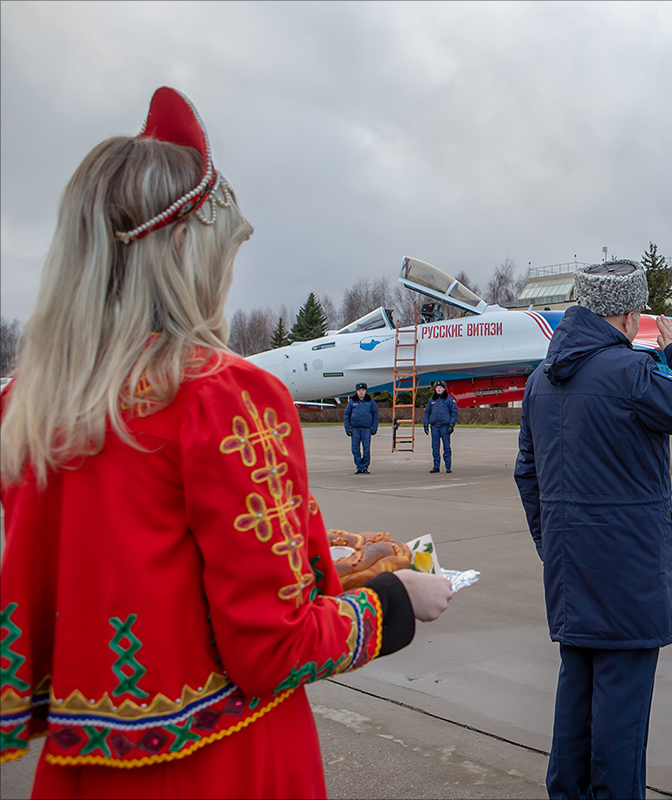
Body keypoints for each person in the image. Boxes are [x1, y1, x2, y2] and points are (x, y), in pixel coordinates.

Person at [0, 87, 452, 798]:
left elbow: (129, 558)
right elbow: (272, 647)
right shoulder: (226, 397)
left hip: (83, 771)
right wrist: (397, 600)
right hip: (226, 763)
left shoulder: (25, 404)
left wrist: (318, 550)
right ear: (184, 247)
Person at [513, 260, 672, 800]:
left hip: (569, 566)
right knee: (622, 712)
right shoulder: (627, 372)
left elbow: (528, 473)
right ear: (628, 313)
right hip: (627, 568)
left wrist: (551, 543)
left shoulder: (541, 378)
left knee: (576, 692)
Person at [423, 379, 458, 473]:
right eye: (437, 388)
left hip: (445, 427)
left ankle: (448, 466)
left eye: (440, 388)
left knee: (446, 447)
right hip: (434, 426)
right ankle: (436, 466)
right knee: (435, 447)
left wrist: (451, 425)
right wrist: (426, 424)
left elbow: (454, 412)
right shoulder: (432, 399)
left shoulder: (449, 399)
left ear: (444, 389)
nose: (439, 389)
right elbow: (427, 412)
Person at [344, 381, 380, 474]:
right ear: (356, 391)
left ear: (365, 391)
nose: (361, 392)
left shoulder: (370, 401)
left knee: (366, 448)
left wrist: (374, 427)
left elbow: (375, 414)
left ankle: (365, 466)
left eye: (363, 390)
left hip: (366, 428)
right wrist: (347, 428)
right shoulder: (352, 402)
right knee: (355, 449)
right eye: (359, 390)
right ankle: (359, 466)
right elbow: (347, 415)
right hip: (355, 428)